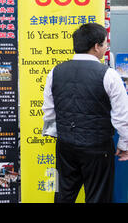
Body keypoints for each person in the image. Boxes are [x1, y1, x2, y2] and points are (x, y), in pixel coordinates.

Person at [42, 23, 128, 203]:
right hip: (97, 148)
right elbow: (122, 115)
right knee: (97, 197)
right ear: (96, 46)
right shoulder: (109, 75)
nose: (106, 49)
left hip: (65, 146)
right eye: (105, 44)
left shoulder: (55, 71)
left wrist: (57, 133)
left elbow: (49, 110)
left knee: (63, 194)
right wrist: (124, 143)